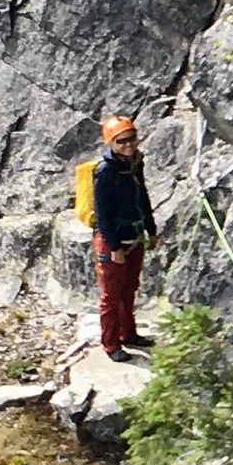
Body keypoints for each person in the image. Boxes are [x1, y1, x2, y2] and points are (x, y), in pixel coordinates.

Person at [91, 114, 155, 359]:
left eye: (132, 138)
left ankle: (128, 333)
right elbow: (102, 213)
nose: (128, 144)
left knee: (130, 289)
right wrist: (114, 246)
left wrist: (151, 229)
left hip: (135, 236)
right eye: (121, 141)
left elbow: (143, 197)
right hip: (114, 242)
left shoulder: (135, 162)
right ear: (111, 143)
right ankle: (111, 344)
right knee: (110, 296)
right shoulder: (106, 171)